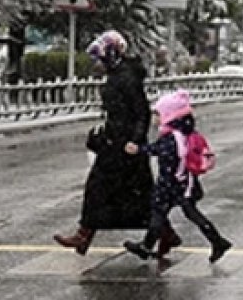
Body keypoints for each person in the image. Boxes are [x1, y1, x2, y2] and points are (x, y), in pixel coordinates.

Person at [53, 31, 173, 255]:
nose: (98, 63)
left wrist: (134, 141)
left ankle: (85, 234)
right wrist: (102, 138)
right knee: (125, 193)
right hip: (115, 144)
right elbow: (117, 115)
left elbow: (141, 113)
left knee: (113, 191)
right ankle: (164, 233)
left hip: (125, 147)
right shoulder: (119, 75)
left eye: (101, 57)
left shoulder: (126, 77)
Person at [122, 90, 232, 263]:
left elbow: (160, 151)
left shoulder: (173, 137)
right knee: (182, 212)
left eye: (157, 114)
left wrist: (139, 150)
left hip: (172, 182)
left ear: (169, 115)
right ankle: (216, 241)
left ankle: (147, 246)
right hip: (182, 181)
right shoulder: (184, 132)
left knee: (161, 213)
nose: (154, 118)